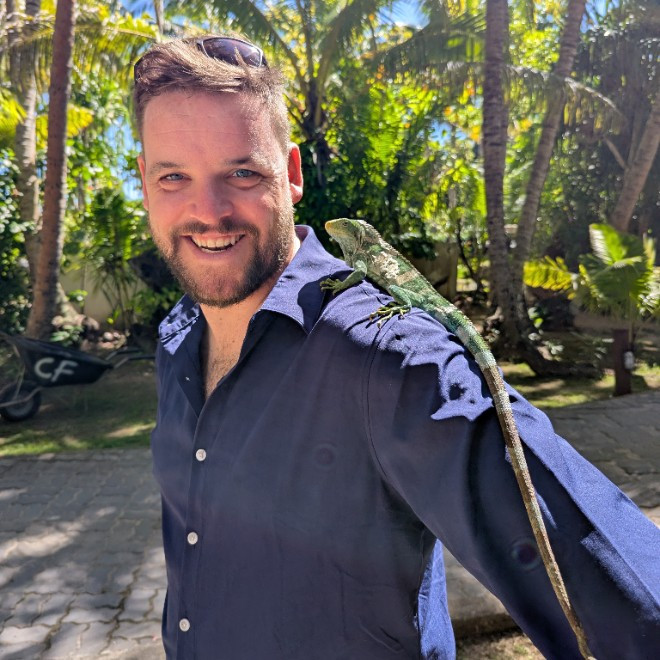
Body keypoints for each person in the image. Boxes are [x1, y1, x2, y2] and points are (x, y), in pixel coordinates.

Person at [133, 36, 660, 659]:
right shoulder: (178, 338)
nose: (209, 210)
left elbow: (628, 586)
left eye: (242, 172)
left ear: (292, 175)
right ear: (145, 183)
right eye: (174, 176)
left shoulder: (387, 356)